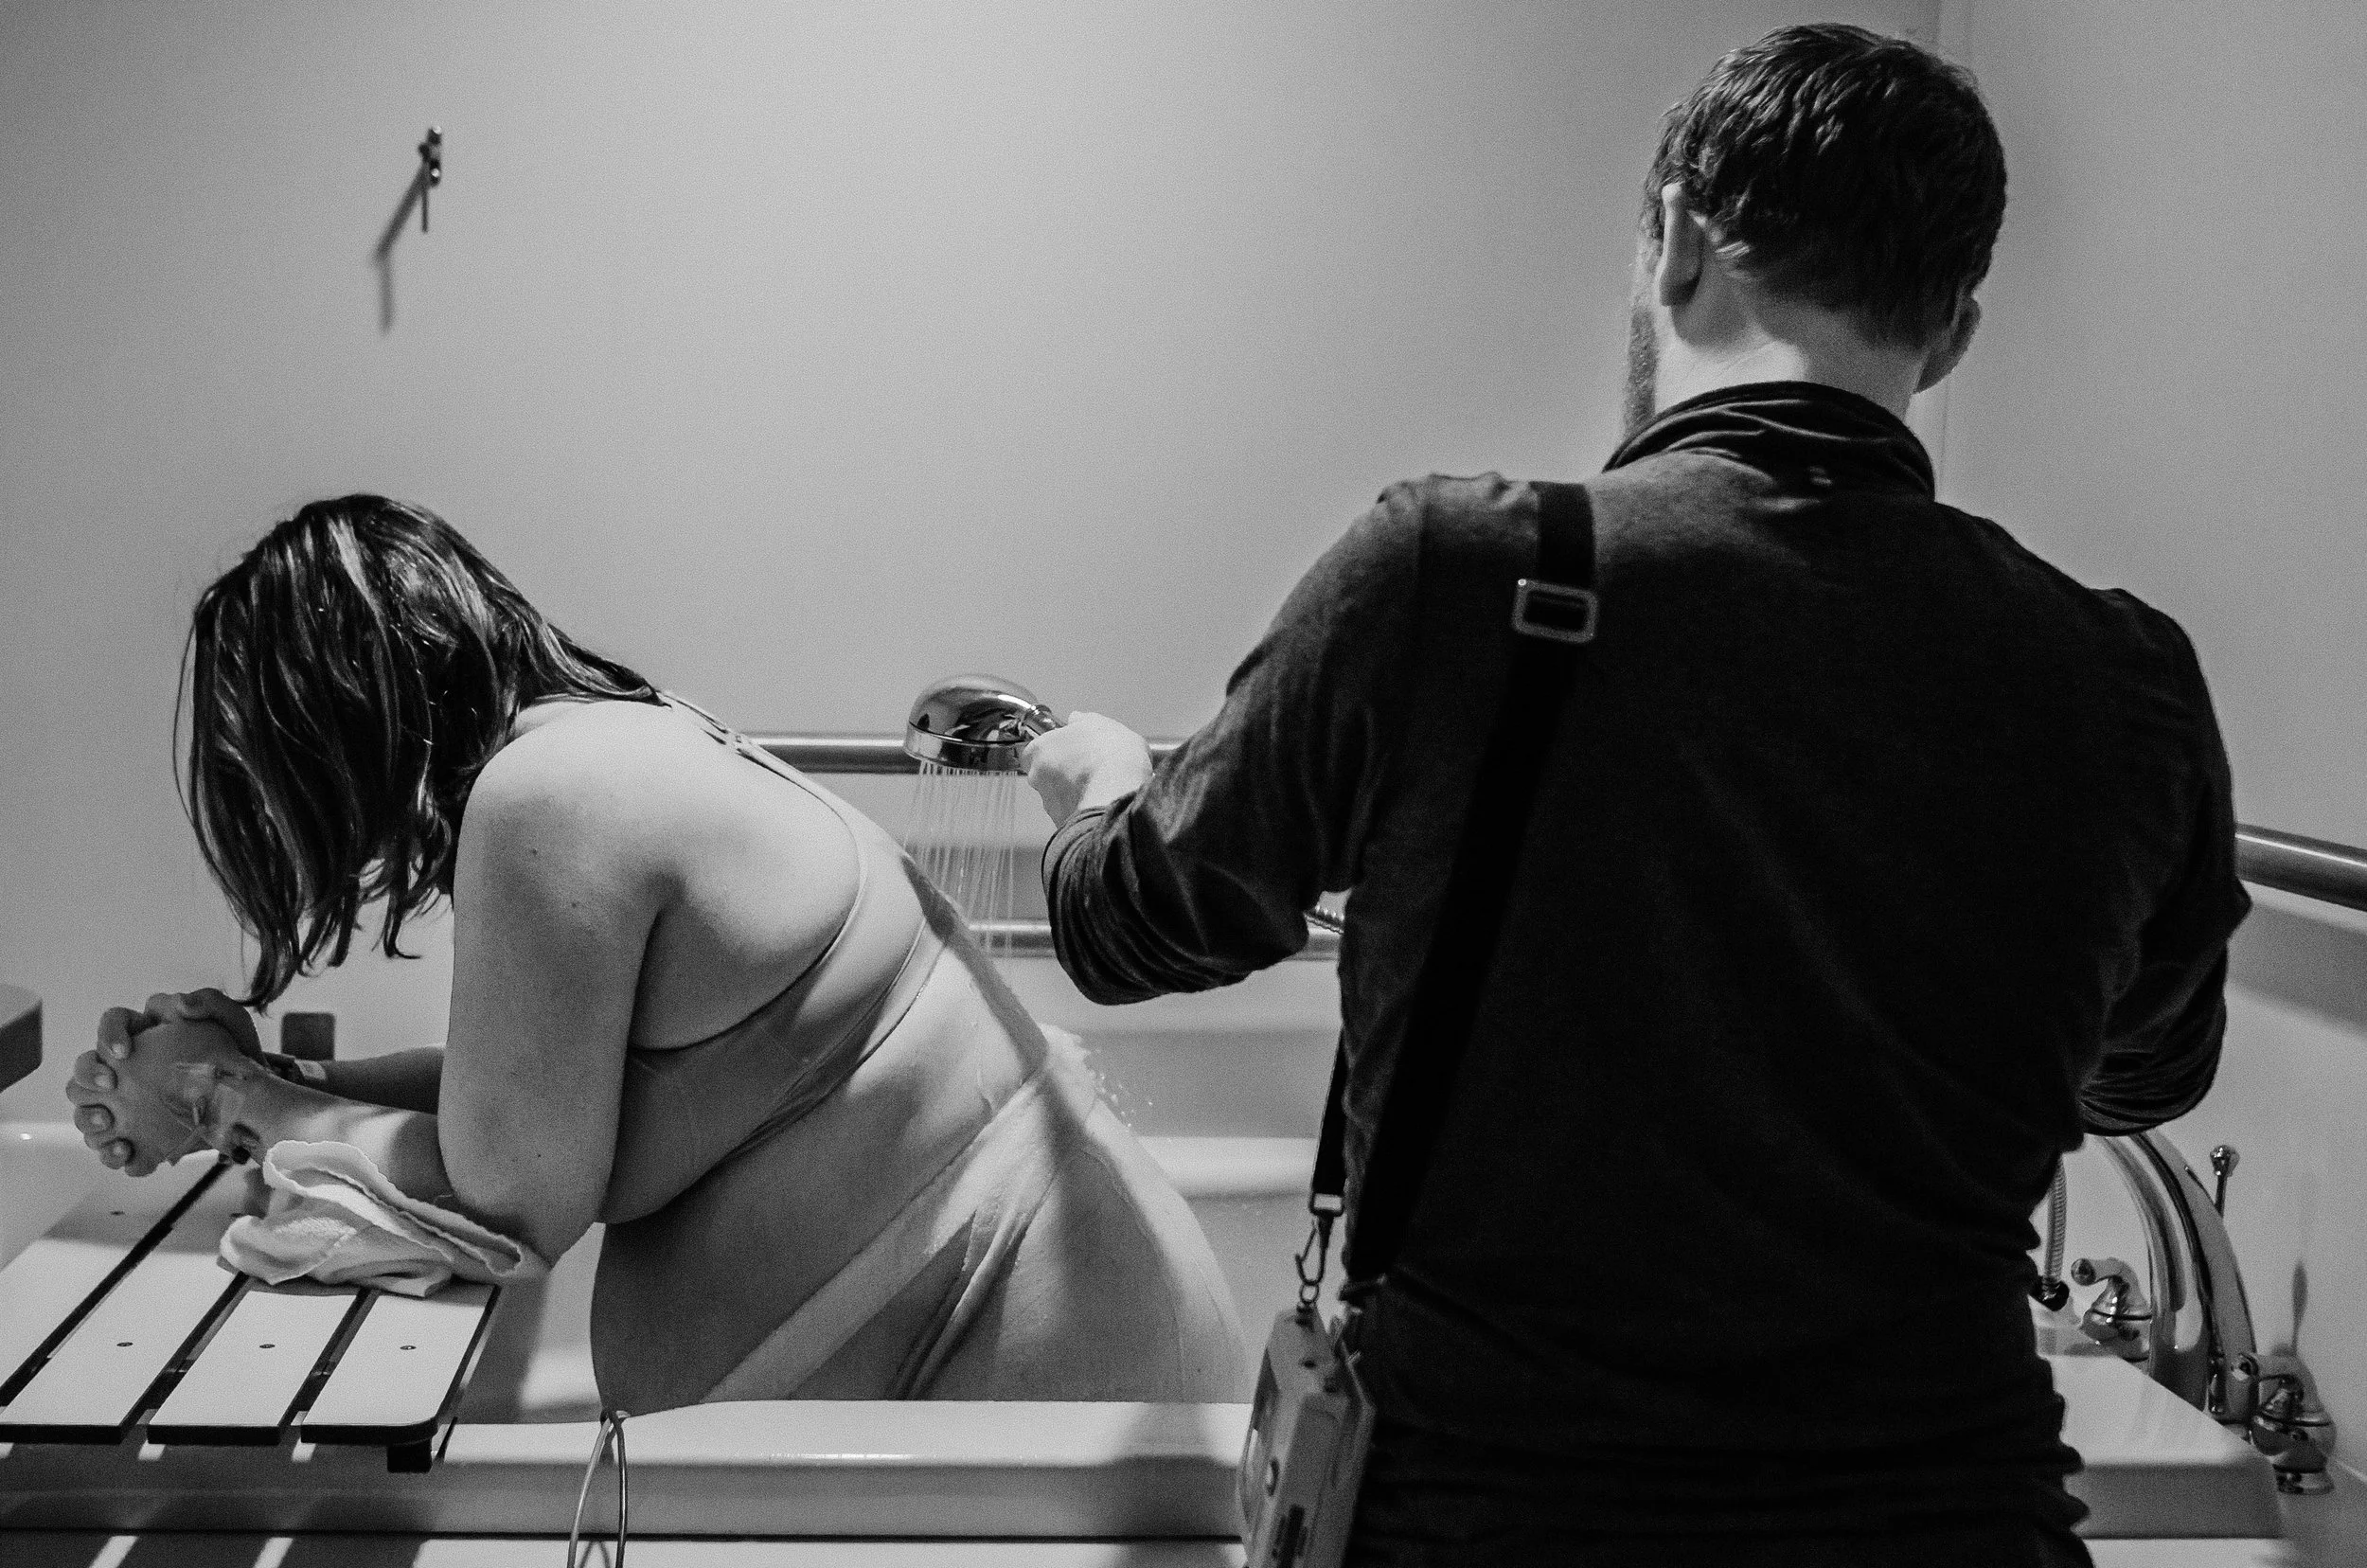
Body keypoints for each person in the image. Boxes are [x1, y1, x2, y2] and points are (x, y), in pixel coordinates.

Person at [1023, 24, 2245, 1567]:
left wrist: (1098, 788)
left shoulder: (1457, 578)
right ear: (1951, 335)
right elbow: (2141, 1073)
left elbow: (1138, 930)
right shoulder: (2121, 681)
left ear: (1671, 235)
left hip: (1487, 1525)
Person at [65, 495, 1240, 1412]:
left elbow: (504, 1206)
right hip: (1039, 1375)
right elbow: (523, 1110)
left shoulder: (550, 798)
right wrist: (290, 1086)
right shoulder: (613, 751)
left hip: (1025, 1384)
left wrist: (224, 1093)